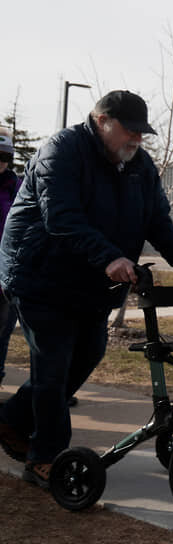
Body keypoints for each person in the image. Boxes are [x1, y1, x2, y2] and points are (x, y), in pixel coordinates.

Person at [0, 90, 173, 488]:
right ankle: (46, 457)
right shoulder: (61, 152)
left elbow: (157, 221)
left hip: (90, 282)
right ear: (102, 122)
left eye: (141, 132)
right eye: (129, 130)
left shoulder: (140, 165)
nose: (137, 139)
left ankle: (11, 419)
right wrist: (110, 257)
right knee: (53, 365)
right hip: (39, 274)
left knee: (88, 353)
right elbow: (61, 218)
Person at [0, 128, 21, 387]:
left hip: (6, 272)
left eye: (5, 156)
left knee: (2, 331)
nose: (0, 161)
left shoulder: (17, 187)